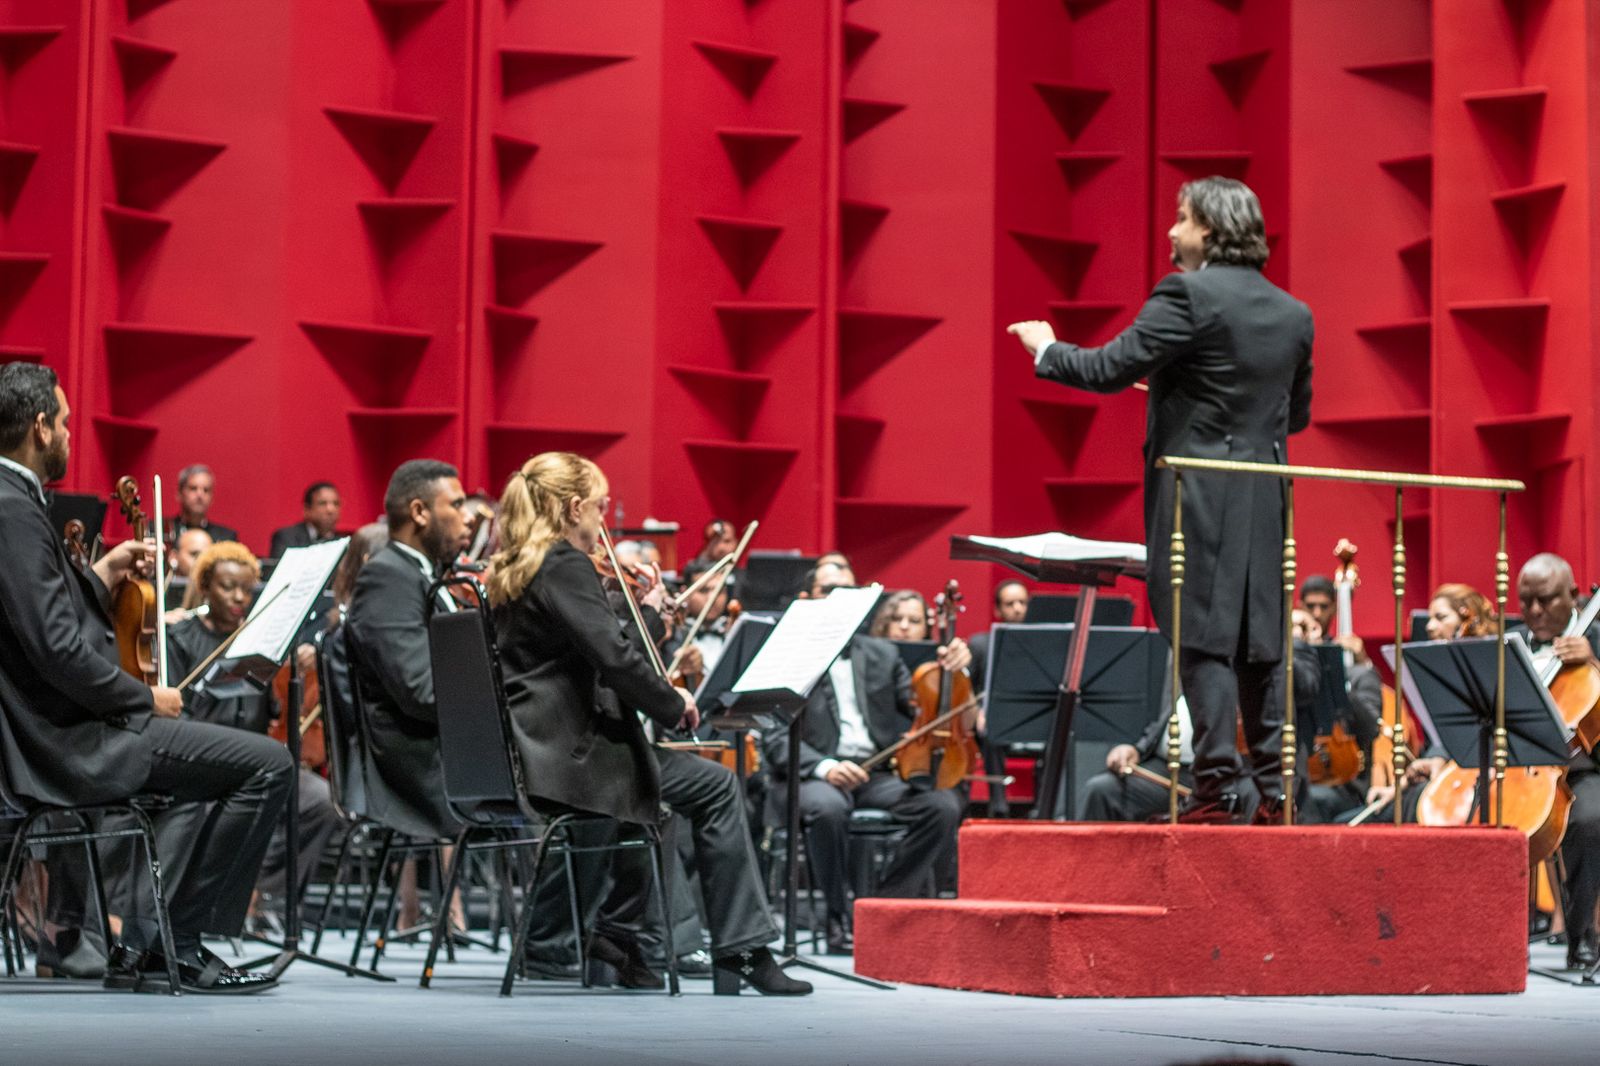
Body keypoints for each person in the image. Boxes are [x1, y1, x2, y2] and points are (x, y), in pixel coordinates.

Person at [1007, 175, 1314, 824]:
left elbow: (1105, 369)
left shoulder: (1186, 294)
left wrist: (1046, 349)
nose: (1172, 232)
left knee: (1202, 640)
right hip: (1266, 496)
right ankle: (1274, 792)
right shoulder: (1294, 314)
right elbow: (1296, 416)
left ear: (1211, 228)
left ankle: (1216, 791)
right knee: (1260, 642)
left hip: (1198, 496)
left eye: (1181, 218)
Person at [0, 362, 289, 993]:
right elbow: (55, 650)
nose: (73, 436)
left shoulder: (14, 504)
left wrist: (101, 575)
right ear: (41, 426)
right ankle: (177, 945)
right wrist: (145, 696)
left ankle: (152, 939)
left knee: (213, 778)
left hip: (62, 729)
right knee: (269, 766)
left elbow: (39, 621)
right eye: (68, 423)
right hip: (65, 742)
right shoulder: (11, 508)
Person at [488, 452, 808, 994]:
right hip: (577, 761)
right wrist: (673, 702)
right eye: (598, 508)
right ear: (572, 509)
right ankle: (744, 951)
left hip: (541, 753)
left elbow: (593, 651)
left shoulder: (513, 568)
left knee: (653, 806)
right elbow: (613, 659)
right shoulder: (563, 564)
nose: (602, 522)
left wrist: (652, 616)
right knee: (717, 785)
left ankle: (616, 941)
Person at [765, 560, 971, 953]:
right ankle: (837, 920)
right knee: (828, 809)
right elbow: (773, 736)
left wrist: (952, 674)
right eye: (830, 591)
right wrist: (825, 767)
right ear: (807, 599)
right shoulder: (788, 652)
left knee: (942, 805)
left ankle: (880, 909)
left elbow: (920, 712)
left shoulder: (882, 653)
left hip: (873, 774)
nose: (841, 601)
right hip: (812, 775)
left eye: (850, 593)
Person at [162, 541, 341, 918]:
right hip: (203, 766)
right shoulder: (180, 637)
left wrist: (299, 663)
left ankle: (261, 895)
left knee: (321, 802)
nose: (239, 597)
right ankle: (202, 905)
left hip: (258, 762)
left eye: (247, 588)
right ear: (207, 586)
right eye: (228, 587)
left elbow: (277, 709)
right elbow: (176, 715)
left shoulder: (263, 640)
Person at [345, 460, 470, 843]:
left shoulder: (421, 574)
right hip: (420, 766)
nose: (468, 519)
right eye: (457, 505)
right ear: (419, 512)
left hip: (448, 751)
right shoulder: (388, 577)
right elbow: (421, 691)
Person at [1509, 554, 1600, 970]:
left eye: (1545, 600)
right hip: (1515, 767)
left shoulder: (1594, 637)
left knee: (1589, 820)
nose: (1534, 611)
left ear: (1573, 597)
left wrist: (1594, 662)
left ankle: (1581, 936)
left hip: (1580, 768)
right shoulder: (1510, 643)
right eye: (1525, 601)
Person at [167, 463, 238, 546]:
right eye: (193, 488)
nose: (200, 495)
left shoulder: (226, 538)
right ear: (179, 493)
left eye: (206, 490)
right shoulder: (160, 530)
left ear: (212, 498)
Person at [268, 481, 342, 557]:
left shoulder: (342, 543)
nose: (331, 509)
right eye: (322, 503)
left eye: (336, 503)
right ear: (306, 509)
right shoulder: (286, 538)